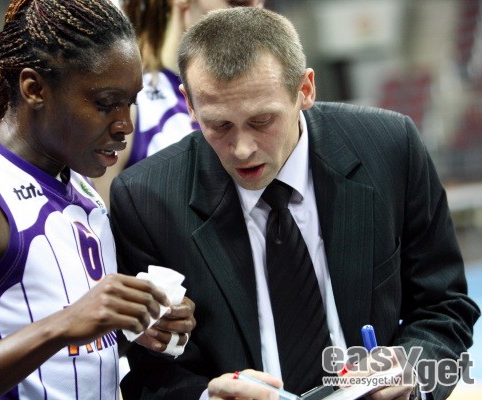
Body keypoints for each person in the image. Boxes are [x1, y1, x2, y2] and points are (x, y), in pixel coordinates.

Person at [109, 7, 480, 400]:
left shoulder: (388, 148)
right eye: (219, 125)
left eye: (261, 121)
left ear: (305, 89)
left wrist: (411, 371)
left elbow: (445, 306)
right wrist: (206, 398)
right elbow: (152, 372)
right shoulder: (147, 199)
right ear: (190, 103)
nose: (242, 149)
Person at [0, 1, 195, 399]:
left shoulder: (81, 186)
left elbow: (63, 358)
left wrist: (135, 328)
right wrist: (61, 326)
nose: (125, 126)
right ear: (34, 89)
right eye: (105, 104)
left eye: (130, 103)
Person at [93, 0, 264, 209]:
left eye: (260, 3)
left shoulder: (259, 98)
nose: (254, 15)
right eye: (238, 2)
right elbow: (97, 219)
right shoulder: (129, 102)